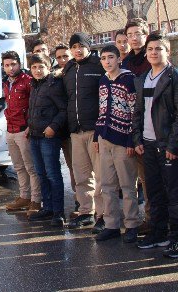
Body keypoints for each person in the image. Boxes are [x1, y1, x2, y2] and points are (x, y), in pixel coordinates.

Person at [132, 31, 178, 258]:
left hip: (168, 147)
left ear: (168, 51)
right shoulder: (143, 78)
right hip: (147, 146)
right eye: (150, 49)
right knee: (153, 194)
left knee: (175, 195)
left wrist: (173, 146)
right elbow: (138, 112)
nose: (154, 53)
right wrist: (137, 139)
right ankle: (159, 232)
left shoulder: (177, 79)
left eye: (158, 49)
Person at [93, 45, 140, 243]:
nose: (107, 62)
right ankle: (111, 224)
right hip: (105, 138)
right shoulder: (103, 80)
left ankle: (131, 225)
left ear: (119, 58)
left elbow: (134, 111)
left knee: (128, 185)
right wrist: (97, 135)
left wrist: (131, 139)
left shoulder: (129, 79)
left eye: (110, 57)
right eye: (103, 58)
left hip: (123, 139)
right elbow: (102, 109)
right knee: (107, 184)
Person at [63, 33, 106, 232]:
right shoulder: (69, 68)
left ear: (88, 47)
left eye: (81, 46)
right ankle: (86, 212)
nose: (77, 50)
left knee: (101, 176)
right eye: (74, 47)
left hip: (96, 130)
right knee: (81, 175)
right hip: (76, 131)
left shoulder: (98, 66)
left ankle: (104, 215)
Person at [26, 53, 68, 226]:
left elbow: (63, 110)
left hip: (48, 137)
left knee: (52, 174)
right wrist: (30, 125)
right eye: (34, 67)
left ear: (48, 68)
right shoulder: (34, 85)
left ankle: (58, 213)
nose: (37, 70)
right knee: (41, 174)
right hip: (34, 136)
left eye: (41, 66)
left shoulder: (54, 85)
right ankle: (47, 208)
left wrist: (53, 126)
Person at [1, 51, 41, 214]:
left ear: (20, 64)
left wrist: (29, 127)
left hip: (24, 130)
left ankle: (36, 200)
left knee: (31, 167)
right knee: (18, 167)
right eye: (7, 65)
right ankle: (24, 196)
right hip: (10, 129)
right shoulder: (6, 83)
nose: (10, 68)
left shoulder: (28, 81)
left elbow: (35, 105)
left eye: (13, 64)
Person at [122, 18, 152, 233]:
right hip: (132, 126)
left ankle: (159, 220)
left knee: (154, 179)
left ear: (145, 33)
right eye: (129, 35)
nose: (133, 38)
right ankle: (146, 220)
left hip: (152, 124)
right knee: (141, 179)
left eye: (137, 34)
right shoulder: (125, 63)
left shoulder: (150, 58)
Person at [53, 44, 77, 215]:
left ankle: (80, 201)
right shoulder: (53, 75)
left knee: (76, 167)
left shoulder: (76, 72)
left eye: (65, 56)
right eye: (59, 57)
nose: (62, 60)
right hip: (57, 130)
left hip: (72, 129)